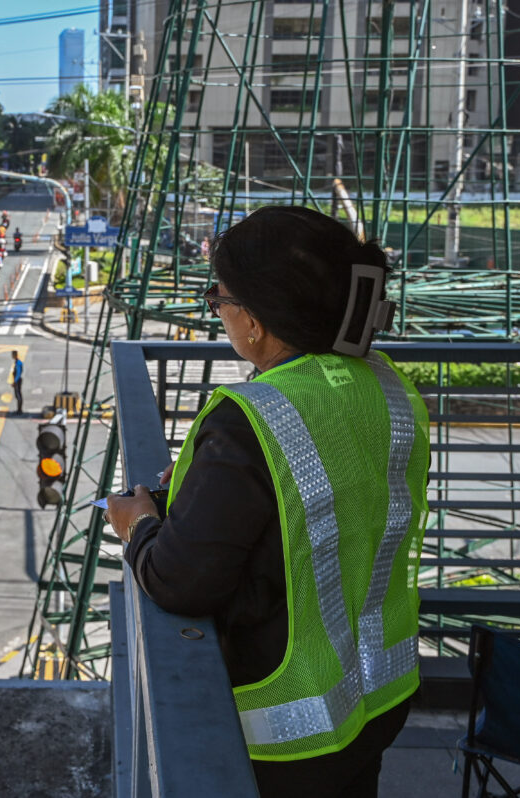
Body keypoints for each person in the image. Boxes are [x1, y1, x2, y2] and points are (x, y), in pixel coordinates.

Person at [104, 206, 427, 798]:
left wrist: (138, 524)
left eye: (218, 298)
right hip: (377, 700)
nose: (218, 311)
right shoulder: (385, 384)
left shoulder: (253, 417)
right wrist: (212, 479)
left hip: (289, 737)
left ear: (253, 322)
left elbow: (180, 580)